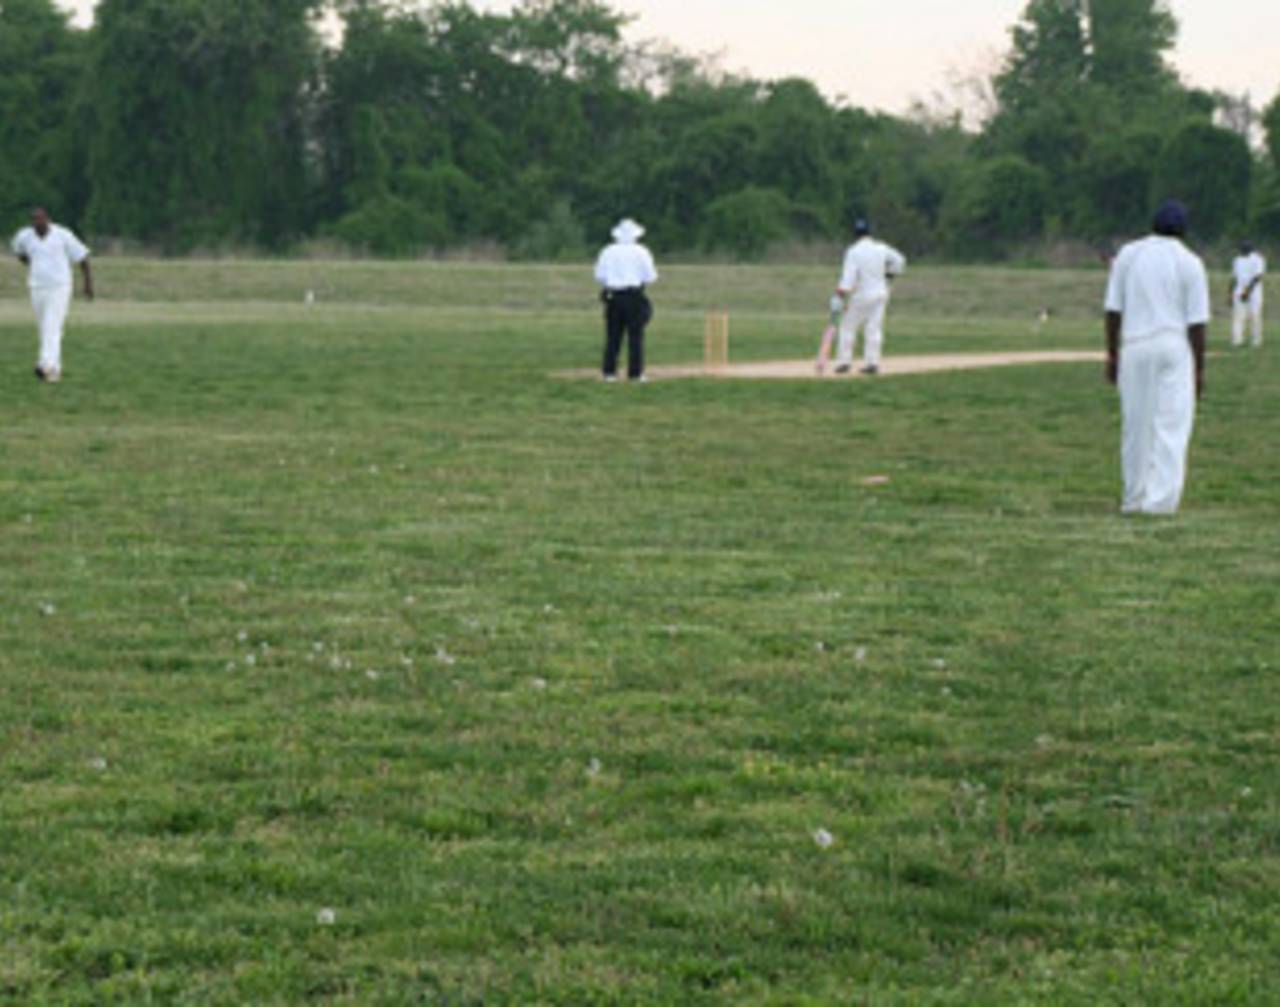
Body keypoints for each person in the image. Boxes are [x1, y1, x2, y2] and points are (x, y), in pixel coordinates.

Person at [1104, 200, 1210, 515]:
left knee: (1136, 425)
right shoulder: (1190, 262)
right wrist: (1199, 370)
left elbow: (1113, 310)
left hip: (1134, 345)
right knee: (1171, 425)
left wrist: (1112, 355)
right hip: (1173, 345)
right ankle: (1160, 502)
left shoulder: (1128, 254)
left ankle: (1133, 498)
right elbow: (1197, 324)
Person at [11, 207, 93, 383]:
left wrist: (87, 284)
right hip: (36, 287)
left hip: (59, 287)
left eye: (41, 219)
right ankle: (54, 371)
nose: (38, 223)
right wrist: (34, 265)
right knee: (44, 327)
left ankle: (44, 365)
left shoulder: (62, 235)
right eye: (34, 220)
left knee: (52, 326)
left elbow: (83, 257)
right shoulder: (25, 236)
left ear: (48, 219)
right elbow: (19, 252)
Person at [833, 219, 906, 376]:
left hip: (862, 295)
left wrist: (840, 294)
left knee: (847, 326)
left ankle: (844, 362)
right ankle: (873, 363)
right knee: (874, 328)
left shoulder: (853, 251)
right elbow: (900, 261)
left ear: (855, 234)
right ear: (869, 232)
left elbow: (848, 278)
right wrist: (889, 275)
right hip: (881, 293)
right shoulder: (881, 248)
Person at [594, 218, 657, 383]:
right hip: (634, 296)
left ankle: (609, 372)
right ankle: (635, 374)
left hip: (613, 296)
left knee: (613, 336)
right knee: (635, 336)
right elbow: (650, 276)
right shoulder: (641, 251)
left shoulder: (608, 251)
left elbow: (599, 275)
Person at [1229, 239, 1265, 348]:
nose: (1242, 250)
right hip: (1239, 291)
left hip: (1254, 292)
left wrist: (1247, 292)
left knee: (1255, 315)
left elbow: (1257, 277)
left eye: (1245, 248)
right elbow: (1234, 278)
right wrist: (1230, 294)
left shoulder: (1258, 259)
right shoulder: (1236, 260)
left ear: (1250, 248)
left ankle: (1256, 340)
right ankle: (1237, 340)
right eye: (1241, 248)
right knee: (1238, 316)